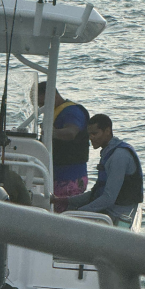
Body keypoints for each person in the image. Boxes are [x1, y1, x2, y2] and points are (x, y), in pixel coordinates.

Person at [51, 114, 143, 228]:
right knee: (67, 210)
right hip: (107, 211)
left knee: (66, 219)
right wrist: (65, 201)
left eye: (95, 134)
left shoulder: (119, 157)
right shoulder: (108, 153)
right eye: (89, 134)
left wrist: (79, 212)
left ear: (108, 131)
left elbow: (108, 198)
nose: (91, 138)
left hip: (117, 217)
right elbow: (96, 193)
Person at [37, 81, 90, 212]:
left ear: (53, 95)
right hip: (57, 177)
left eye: (43, 104)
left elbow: (72, 132)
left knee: (66, 216)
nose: (42, 108)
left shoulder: (71, 112)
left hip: (70, 180)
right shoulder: (55, 113)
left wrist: (50, 132)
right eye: (39, 105)